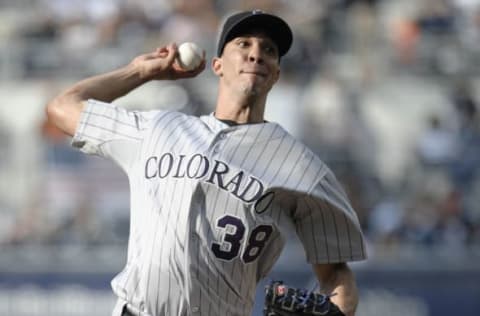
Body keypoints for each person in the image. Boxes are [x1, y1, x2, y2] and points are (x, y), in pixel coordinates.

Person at [46, 9, 366, 316]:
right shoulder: (157, 129)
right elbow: (63, 107)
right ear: (217, 65)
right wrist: (141, 72)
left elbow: (336, 271)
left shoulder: (302, 167)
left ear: (276, 74)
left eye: (268, 49)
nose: (256, 54)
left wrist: (340, 306)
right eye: (243, 45)